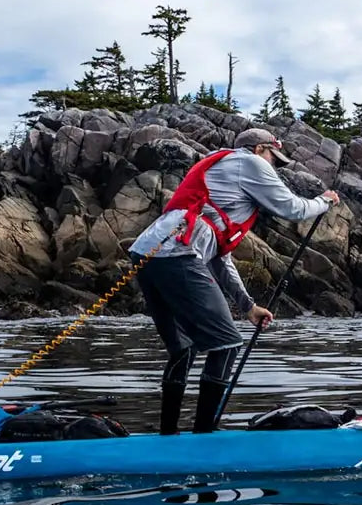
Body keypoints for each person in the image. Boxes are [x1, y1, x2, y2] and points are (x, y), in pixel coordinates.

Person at [128, 127, 339, 435]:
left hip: (149, 253)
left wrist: (247, 306)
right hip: (177, 253)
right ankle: (204, 436)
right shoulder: (248, 163)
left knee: (183, 349)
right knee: (227, 343)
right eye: (273, 158)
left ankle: (168, 437)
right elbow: (292, 208)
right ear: (259, 149)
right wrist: (324, 200)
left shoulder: (224, 177)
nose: (274, 167)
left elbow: (218, 257)